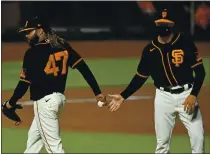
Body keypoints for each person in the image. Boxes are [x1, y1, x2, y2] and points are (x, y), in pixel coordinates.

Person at [2, 17, 106, 153]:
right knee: (33, 141)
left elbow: (23, 84)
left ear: (39, 31)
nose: (26, 36)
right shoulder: (62, 46)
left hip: (45, 104)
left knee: (54, 148)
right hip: (58, 100)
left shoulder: (32, 53)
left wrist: (10, 103)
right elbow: (83, 68)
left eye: (29, 32)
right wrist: (97, 92)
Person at [108, 9, 206, 153]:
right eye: (160, 24)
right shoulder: (150, 50)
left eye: (166, 24)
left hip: (187, 95)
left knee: (198, 138)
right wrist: (123, 95)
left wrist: (193, 94)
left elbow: (200, 72)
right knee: (162, 143)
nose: (163, 27)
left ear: (172, 25)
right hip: (163, 98)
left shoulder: (185, 42)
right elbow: (140, 77)